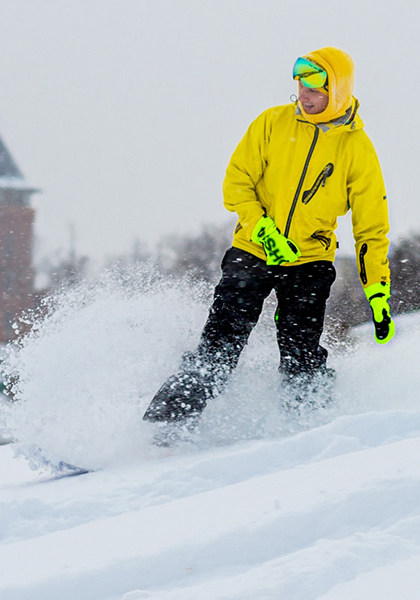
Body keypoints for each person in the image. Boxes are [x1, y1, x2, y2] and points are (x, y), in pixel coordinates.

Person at [142, 46, 393, 439]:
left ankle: (307, 432)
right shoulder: (272, 123)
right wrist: (263, 230)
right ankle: (162, 429)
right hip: (253, 252)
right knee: (220, 346)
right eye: (300, 85)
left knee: (302, 357)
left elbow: (371, 228)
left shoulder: (357, 150)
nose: (304, 95)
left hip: (310, 262)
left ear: (338, 90)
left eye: (314, 87)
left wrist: (377, 290)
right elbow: (236, 183)